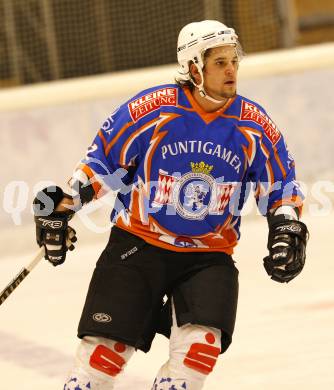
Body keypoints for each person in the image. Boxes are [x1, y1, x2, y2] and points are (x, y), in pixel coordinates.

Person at [33, 20, 309, 390]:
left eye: (234, 61)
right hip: (138, 246)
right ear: (194, 67)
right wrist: (64, 206)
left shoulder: (253, 124)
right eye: (220, 63)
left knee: (198, 353)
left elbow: (279, 186)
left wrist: (287, 224)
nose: (231, 70)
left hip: (209, 256)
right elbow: (102, 164)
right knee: (102, 359)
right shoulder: (151, 109)